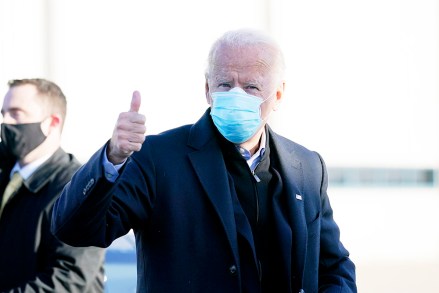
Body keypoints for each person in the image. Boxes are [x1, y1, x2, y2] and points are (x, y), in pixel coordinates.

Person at [51, 29, 357, 292]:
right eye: (225, 84)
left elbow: (333, 265)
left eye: (251, 87)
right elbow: (75, 229)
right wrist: (112, 157)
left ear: (277, 95)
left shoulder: (305, 166)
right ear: (207, 89)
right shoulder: (159, 158)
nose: (236, 94)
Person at [0, 79, 105, 292]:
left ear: (52, 123)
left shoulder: (80, 188)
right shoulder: (6, 175)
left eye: (16, 113)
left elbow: (71, 277)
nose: (6, 123)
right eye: (3, 114)